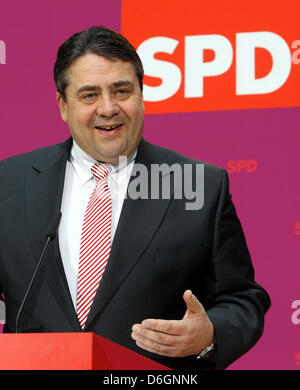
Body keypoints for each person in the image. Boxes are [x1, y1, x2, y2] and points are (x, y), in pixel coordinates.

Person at [0, 26, 270, 370]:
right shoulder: (8, 183)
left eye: (122, 90)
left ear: (142, 94)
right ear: (63, 105)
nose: (108, 108)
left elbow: (242, 300)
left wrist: (208, 336)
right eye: (89, 95)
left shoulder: (200, 185)